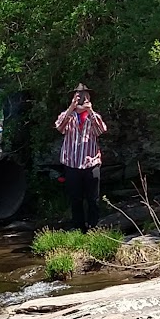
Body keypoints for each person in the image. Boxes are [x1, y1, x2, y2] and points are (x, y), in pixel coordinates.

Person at [55, 84, 107, 231]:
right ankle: (78, 228)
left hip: (91, 163)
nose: (82, 99)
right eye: (79, 96)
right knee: (75, 199)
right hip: (72, 164)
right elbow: (59, 128)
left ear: (89, 98)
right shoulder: (66, 115)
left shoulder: (93, 117)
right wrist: (71, 108)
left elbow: (101, 130)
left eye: (85, 96)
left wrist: (90, 110)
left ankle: (94, 227)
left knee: (93, 199)